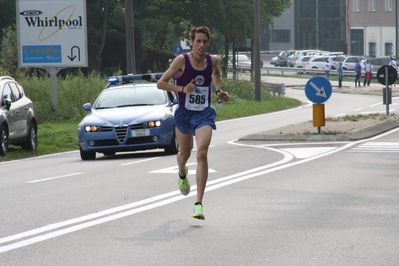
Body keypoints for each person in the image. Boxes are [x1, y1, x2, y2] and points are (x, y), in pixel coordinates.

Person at [157, 26, 229, 220]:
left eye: (205, 42)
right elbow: (161, 83)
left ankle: (198, 204)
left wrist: (219, 91)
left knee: (202, 153)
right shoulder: (181, 61)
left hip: (204, 114)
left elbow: (216, 74)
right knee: (185, 154)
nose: (201, 45)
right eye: (198, 41)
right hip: (184, 114)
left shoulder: (213, 61)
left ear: (208, 43)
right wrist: (182, 89)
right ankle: (182, 173)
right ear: (191, 42)